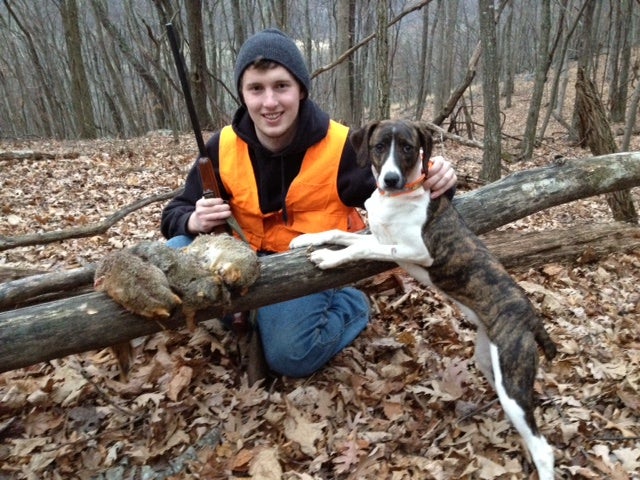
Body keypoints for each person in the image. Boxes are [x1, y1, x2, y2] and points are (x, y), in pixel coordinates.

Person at [161, 28, 457, 378]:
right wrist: (194, 221)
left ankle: (350, 303)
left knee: (290, 356)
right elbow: (173, 216)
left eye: (281, 86)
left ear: (301, 89)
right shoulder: (221, 146)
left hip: (306, 267)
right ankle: (248, 313)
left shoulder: (343, 146)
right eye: (256, 89)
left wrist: (439, 180)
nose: (269, 102)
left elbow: (406, 196)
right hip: (238, 263)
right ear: (242, 95)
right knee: (175, 253)